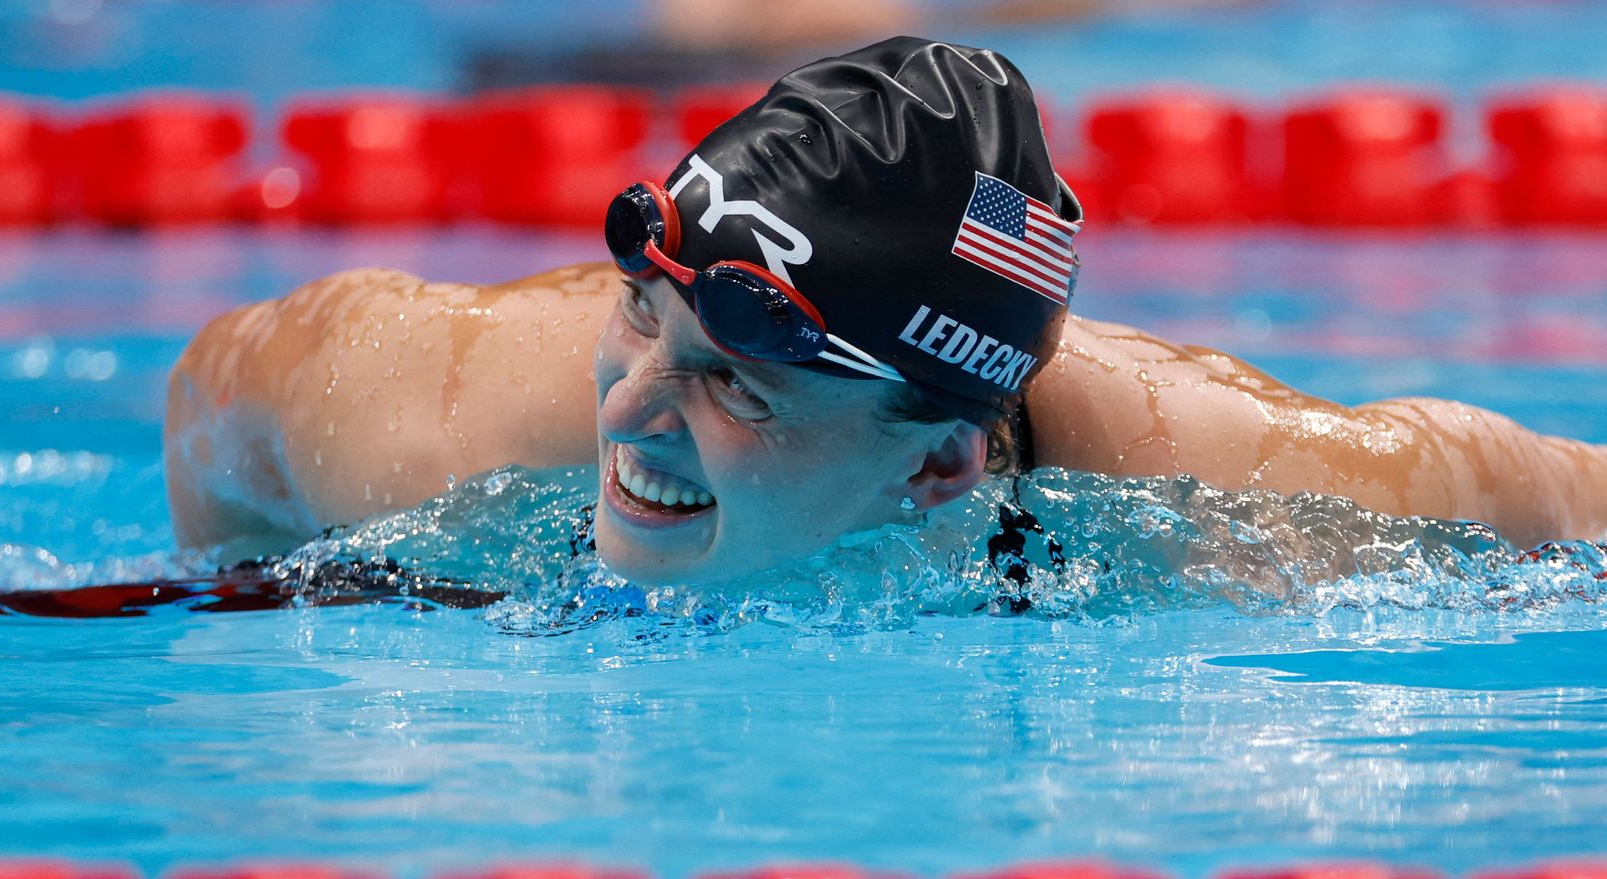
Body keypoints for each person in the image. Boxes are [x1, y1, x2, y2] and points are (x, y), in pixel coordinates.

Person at [165, 37, 1607, 585]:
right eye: (643, 316)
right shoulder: (437, 421)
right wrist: (271, 589)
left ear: (935, 465)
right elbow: (213, 395)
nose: (630, 410)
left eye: (738, 388)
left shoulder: (1263, 498)